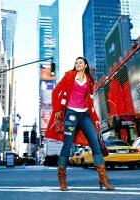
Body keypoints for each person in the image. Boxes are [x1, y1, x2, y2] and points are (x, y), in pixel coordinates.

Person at [45, 56, 115, 191]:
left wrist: (95, 118)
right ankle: (62, 178)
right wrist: (58, 109)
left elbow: (90, 101)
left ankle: (103, 179)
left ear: (85, 66)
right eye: (76, 62)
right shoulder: (69, 76)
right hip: (71, 114)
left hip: (85, 115)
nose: (77, 64)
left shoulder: (89, 81)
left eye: (80, 62)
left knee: (95, 143)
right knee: (67, 144)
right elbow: (55, 92)